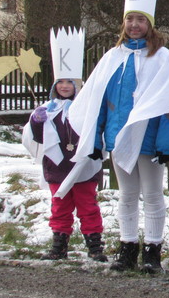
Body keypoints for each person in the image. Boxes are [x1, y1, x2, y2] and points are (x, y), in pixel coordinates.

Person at [59, 0, 169, 275]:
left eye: (140, 19)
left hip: (149, 141)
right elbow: (99, 100)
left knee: (152, 194)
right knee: (126, 195)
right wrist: (95, 139)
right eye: (130, 19)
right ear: (123, 23)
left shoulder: (162, 58)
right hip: (118, 138)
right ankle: (127, 247)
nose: (134, 25)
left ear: (149, 23)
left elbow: (168, 105)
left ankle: (152, 250)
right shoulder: (113, 57)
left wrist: (166, 144)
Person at [22, 27, 106, 262]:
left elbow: (96, 131)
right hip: (57, 167)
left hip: (82, 167)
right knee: (59, 206)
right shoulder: (47, 110)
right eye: (61, 82)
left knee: (88, 206)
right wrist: (36, 121)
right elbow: (37, 139)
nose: (65, 86)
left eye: (70, 82)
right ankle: (59, 246)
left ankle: (95, 247)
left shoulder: (87, 108)